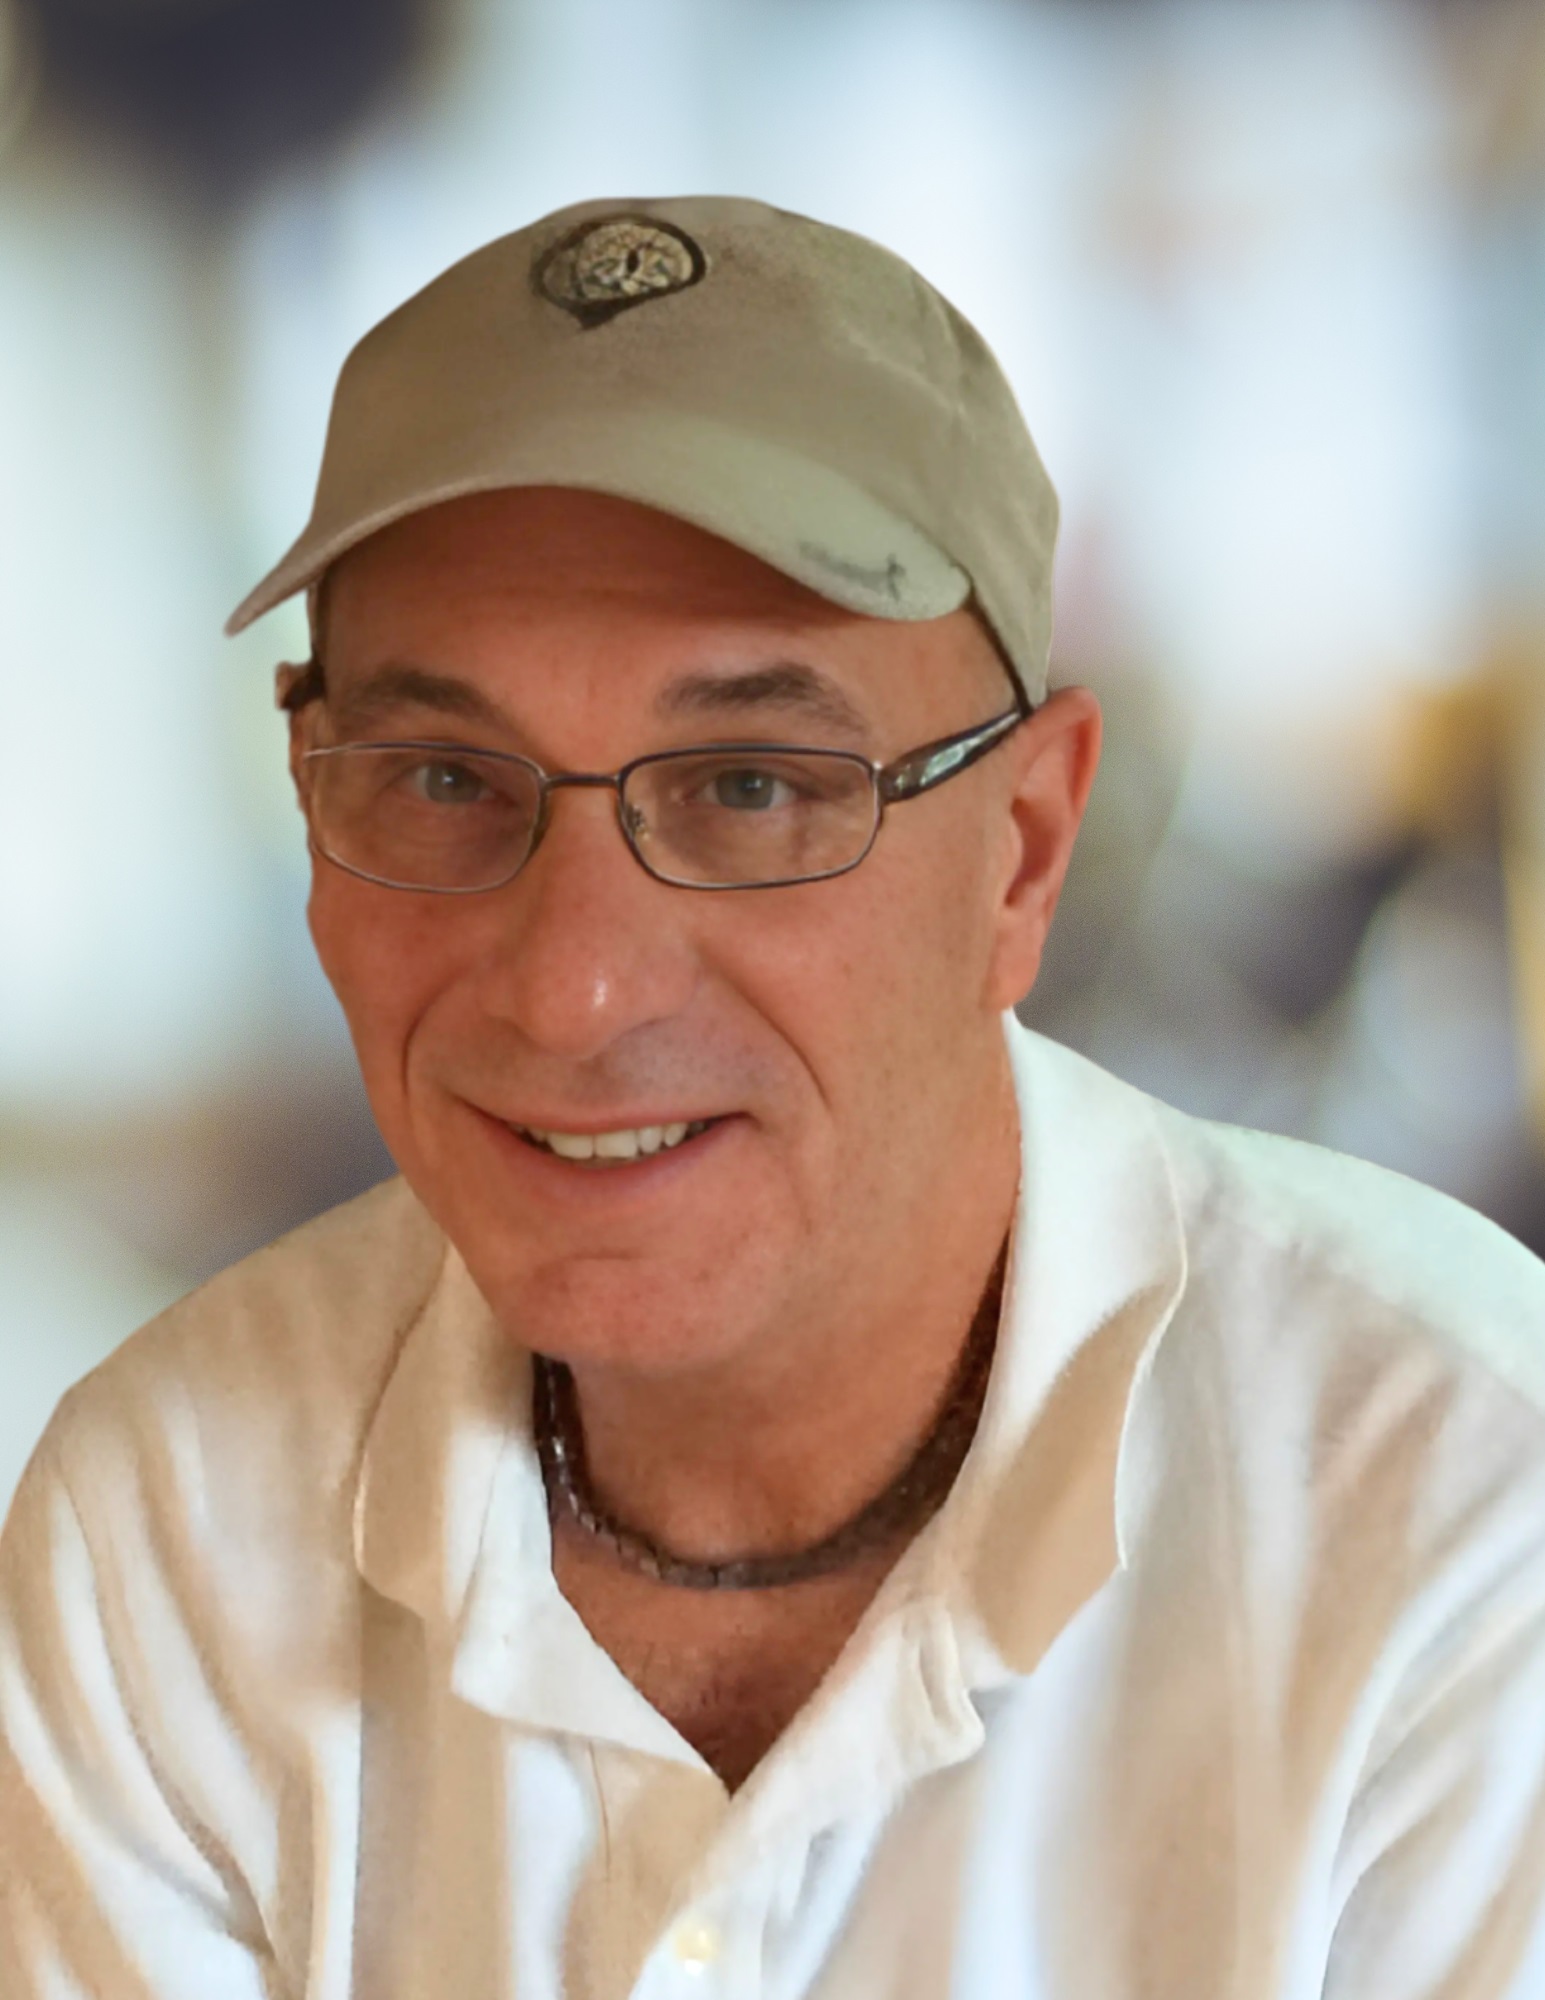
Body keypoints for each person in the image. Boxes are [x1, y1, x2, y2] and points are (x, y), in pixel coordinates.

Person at [3, 194, 1545, 2000]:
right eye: (440, 778)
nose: (573, 988)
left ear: (1023, 849)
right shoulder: (166, 1528)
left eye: (748, 787)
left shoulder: (1452, 1502)